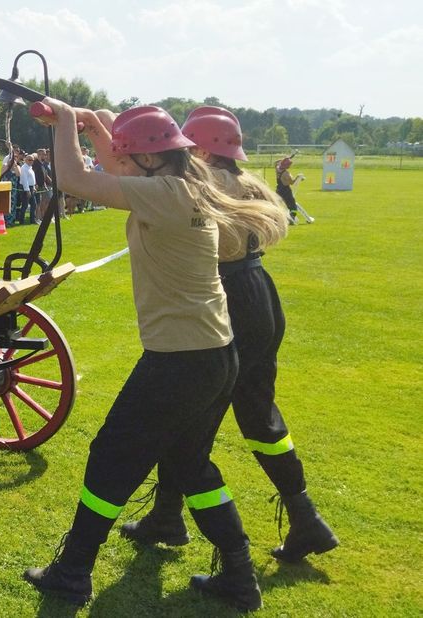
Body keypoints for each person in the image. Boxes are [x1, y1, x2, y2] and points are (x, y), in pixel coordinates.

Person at [21, 102, 289, 612]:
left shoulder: (165, 194)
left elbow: (76, 179)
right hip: (215, 353)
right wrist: (96, 126)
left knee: (110, 454)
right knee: (190, 464)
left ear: (149, 161)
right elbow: (119, 165)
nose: (122, 163)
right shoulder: (188, 183)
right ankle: (239, 575)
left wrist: (60, 120)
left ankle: (73, 570)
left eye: (130, 155)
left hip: (180, 360)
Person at [118, 106, 337, 564]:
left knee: (187, 415)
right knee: (258, 414)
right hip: (260, 292)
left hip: (227, 297)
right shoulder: (250, 182)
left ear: (196, 146)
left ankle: (177, 518)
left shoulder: (200, 183)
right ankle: (304, 515)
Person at [274, 156, 314, 224]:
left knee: (280, 204)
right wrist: (299, 177)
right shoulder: (287, 173)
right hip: (286, 191)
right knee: (293, 206)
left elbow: (276, 163)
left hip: (278, 190)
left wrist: (285, 159)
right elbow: (292, 183)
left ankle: (279, 217)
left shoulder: (277, 169)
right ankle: (292, 218)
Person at [17, 153, 38, 224]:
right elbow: (24, 180)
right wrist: (27, 190)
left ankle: (33, 220)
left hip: (31, 187)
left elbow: (32, 179)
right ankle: (21, 220)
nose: (31, 161)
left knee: (34, 204)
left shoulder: (30, 168)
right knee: (25, 205)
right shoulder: (24, 168)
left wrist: (34, 187)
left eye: (32, 160)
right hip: (26, 188)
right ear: (25, 160)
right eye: (29, 160)